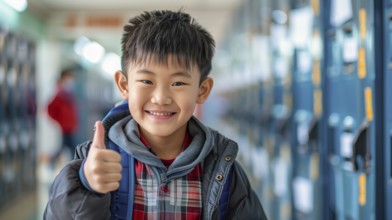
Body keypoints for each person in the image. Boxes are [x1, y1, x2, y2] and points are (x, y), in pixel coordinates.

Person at [44, 10, 267, 220]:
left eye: (178, 83)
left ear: (202, 90)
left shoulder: (224, 170)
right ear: (124, 85)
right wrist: (86, 186)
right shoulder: (95, 163)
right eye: (146, 81)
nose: (161, 97)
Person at [46, 69, 78, 167]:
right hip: (65, 127)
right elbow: (49, 109)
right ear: (63, 78)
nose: (71, 81)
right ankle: (74, 166)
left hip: (70, 126)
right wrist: (60, 121)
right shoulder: (60, 94)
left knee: (66, 146)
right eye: (69, 78)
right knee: (70, 147)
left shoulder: (68, 94)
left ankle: (52, 162)